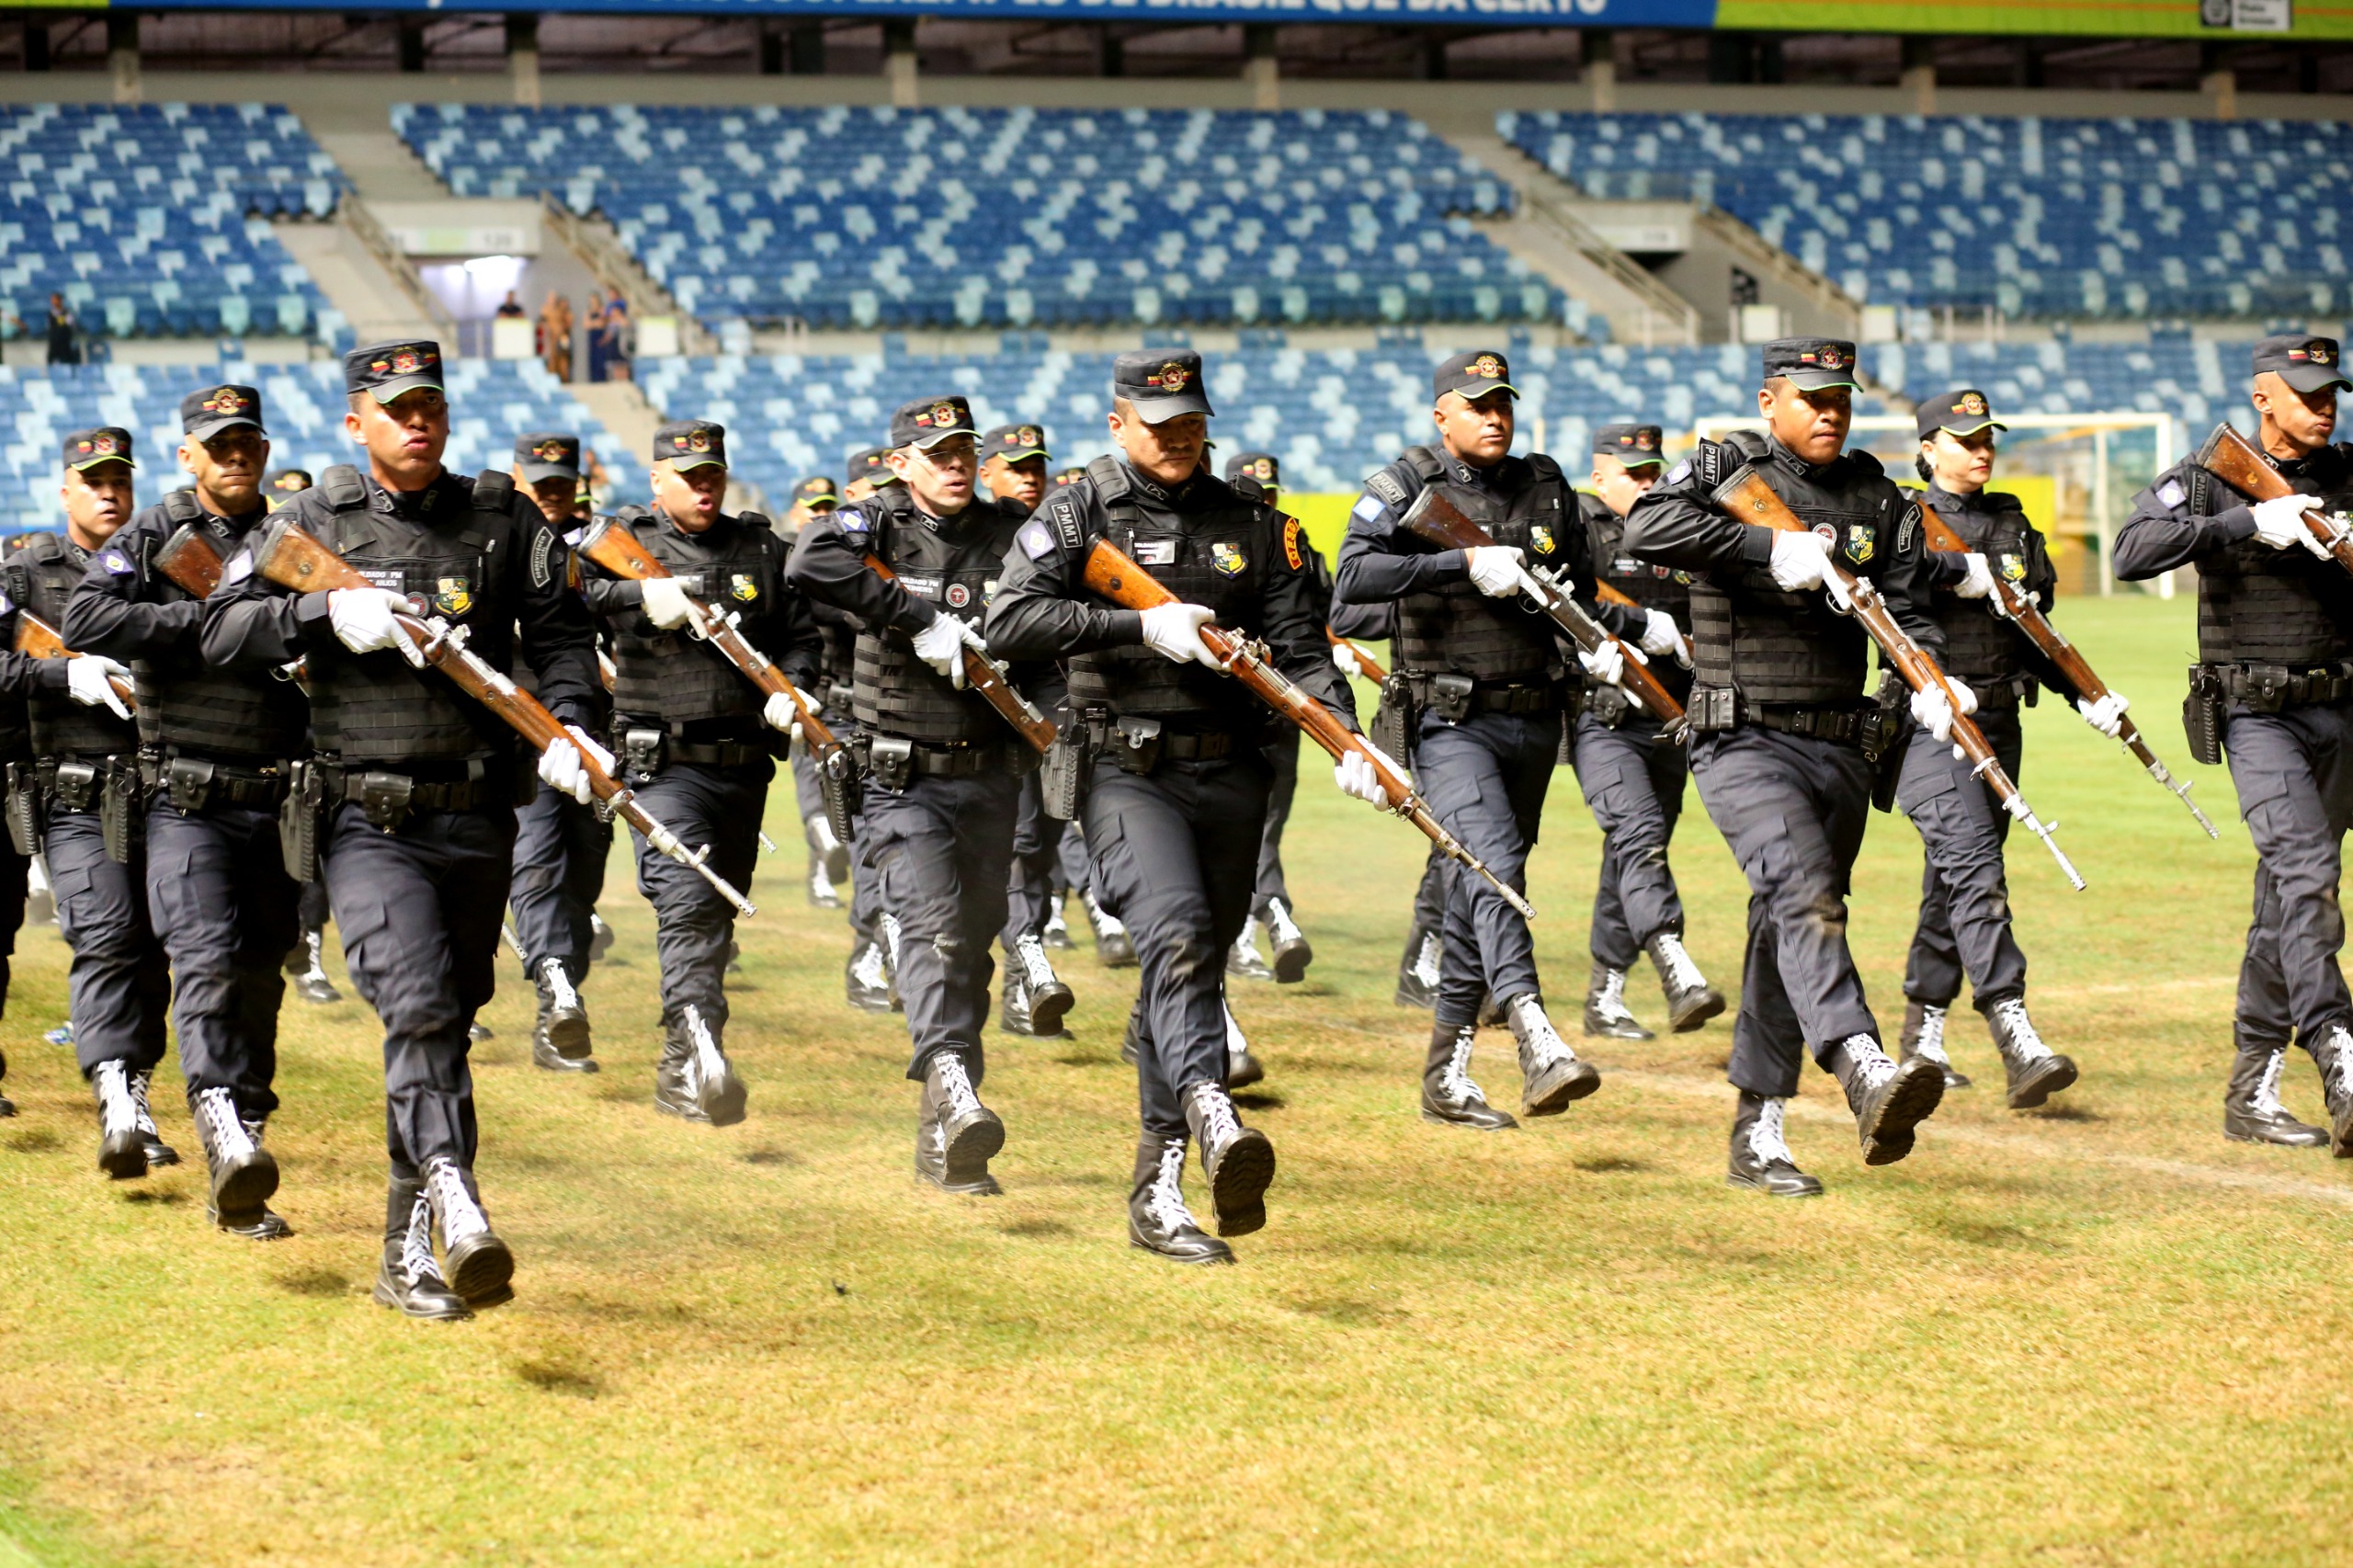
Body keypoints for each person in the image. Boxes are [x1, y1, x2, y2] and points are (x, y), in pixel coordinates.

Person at [202, 339, 604, 1320]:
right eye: (395, 408)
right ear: (356, 421)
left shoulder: (504, 518)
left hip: (477, 818)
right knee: (419, 1006)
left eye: (429, 404)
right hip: (364, 818)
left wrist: (572, 725)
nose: (416, 421)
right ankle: (454, 1203)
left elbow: (557, 641)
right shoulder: (310, 520)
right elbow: (222, 631)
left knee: (444, 1027)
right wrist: (323, 614)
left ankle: (402, 1250)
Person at [988, 348, 1370, 1265]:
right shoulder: (1079, 511)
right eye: (1158, 425)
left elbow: (1301, 647)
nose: (1178, 438)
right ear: (1117, 422)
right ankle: (1210, 1108)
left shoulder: (1256, 523)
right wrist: (1137, 624)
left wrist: (1350, 736)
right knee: (1179, 936)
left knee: (1189, 971)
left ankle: (1157, 1194)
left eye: (1191, 421)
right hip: (1123, 770)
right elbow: (1010, 621)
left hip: (1234, 773)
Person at [1624, 337, 1953, 1197]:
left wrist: (1929, 674)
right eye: (1810, 397)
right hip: (1742, 737)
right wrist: (1768, 550)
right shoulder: (1725, 465)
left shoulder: (1879, 495)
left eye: (1839, 396)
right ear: (1770, 401)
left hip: (1841, 745)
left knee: (1790, 922)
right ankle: (1862, 1062)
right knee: (1804, 894)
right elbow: (1648, 525)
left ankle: (1758, 1126)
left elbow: (1916, 608)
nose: (1829, 411)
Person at [1338, 350, 1665, 1133]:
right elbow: (1353, 580)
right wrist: (1459, 563)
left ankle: (1446, 1077)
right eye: (1476, 404)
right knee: (1495, 870)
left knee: (1473, 890)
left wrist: (1599, 641)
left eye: (1503, 403)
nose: (1494, 416)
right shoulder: (1402, 486)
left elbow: (1578, 591)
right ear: (1441, 414)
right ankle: (1533, 1030)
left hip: (1533, 720)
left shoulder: (1546, 486)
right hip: (1450, 720)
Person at [65, 384, 312, 1239]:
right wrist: (211, 624)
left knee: (257, 979)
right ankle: (222, 1132)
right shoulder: (157, 534)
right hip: (185, 796)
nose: (236, 455)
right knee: (204, 959)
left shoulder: (298, 531)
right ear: (189, 455)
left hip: (281, 797)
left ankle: (244, 1143)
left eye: (247, 441)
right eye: (219, 443)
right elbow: (87, 613)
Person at [792, 396, 1051, 1193]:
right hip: (900, 779)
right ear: (902, 462)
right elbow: (809, 562)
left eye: (963, 449)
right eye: (935, 452)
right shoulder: (874, 527)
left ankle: (944, 1133)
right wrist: (917, 617)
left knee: (970, 949)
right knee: (935, 933)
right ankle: (954, 1088)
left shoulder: (1011, 533)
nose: (953, 462)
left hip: (991, 774)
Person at [2116, 334, 2353, 1154]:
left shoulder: (2349, 472)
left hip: (2342, 714)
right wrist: (2249, 519)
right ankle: (2338, 1051)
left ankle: (2250, 1087)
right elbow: (2131, 552)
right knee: (2307, 874)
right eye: (2308, 392)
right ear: (2264, 397)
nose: (2325, 405)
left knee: (2285, 898)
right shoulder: (2211, 473)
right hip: (2257, 716)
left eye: (2331, 392)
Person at [580, 420, 815, 1127]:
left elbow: (800, 634)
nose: (704, 486)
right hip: (663, 765)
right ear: (657, 481)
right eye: (688, 475)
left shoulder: (760, 547)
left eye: (712, 472)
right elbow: (562, 602)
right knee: (687, 901)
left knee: (715, 914)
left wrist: (794, 689)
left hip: (744, 768)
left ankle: (678, 1065)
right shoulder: (624, 547)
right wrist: (635, 599)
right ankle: (706, 1046)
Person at [1892, 391, 2087, 1108]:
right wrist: (1957, 571)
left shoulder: (2011, 520)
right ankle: (2013, 1029)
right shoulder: (1902, 516)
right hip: (1929, 725)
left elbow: (2032, 625)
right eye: (1963, 439)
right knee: (1974, 869)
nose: (1980, 451)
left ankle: (1923, 1035)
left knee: (1954, 878)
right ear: (1927, 448)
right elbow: (1885, 581)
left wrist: (2087, 695)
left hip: (2001, 719)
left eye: (1986, 440)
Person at [1, 429, 172, 1178]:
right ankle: (116, 1099)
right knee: (106, 937)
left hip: (168, 793)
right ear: (64, 490)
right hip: (74, 795)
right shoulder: (24, 572)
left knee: (163, 949)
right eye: (92, 480)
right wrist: (54, 679)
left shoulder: (162, 564)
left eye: (119, 480)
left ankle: (135, 1087)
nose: (109, 493)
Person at [1574, 424, 1724, 1041]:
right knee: (1636, 836)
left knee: (1630, 854)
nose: (1646, 483)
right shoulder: (1578, 535)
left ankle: (1605, 994)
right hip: (1604, 719)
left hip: (1670, 722)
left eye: (1653, 471)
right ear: (1599, 477)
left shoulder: (1676, 529)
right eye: (1632, 473)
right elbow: (1548, 602)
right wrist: (1625, 629)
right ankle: (1673, 962)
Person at [506, 434, 615, 1074]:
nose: (550, 495)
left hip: (595, 730)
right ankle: (556, 991)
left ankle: (562, 993)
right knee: (538, 858)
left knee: (584, 872)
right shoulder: (499, 543)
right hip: (525, 730)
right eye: (539, 483)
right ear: (520, 480)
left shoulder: (603, 547)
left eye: (560, 484)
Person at [975, 422, 1075, 1039]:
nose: (1030, 475)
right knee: (1002, 853)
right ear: (986, 473)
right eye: (1015, 466)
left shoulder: (1063, 537)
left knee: (1034, 847)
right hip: (980, 719)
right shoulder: (977, 534)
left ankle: (1022, 984)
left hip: (1046, 716)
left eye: (1037, 464)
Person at [1219, 452, 1314, 987]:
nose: (1266, 505)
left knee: (1268, 824)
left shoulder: (1303, 552)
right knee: (1245, 829)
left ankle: (1255, 926)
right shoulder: (1213, 554)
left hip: (1282, 714)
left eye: (1271, 494)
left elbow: (1318, 626)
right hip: (1228, 717)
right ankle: (1267, 918)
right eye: (1256, 496)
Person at [45, 292, 79, 368]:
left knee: (67, 363)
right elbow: (49, 327)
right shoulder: (50, 314)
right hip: (54, 344)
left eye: (55, 300)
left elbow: (71, 326)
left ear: (60, 301)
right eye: (52, 300)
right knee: (50, 362)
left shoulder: (67, 313)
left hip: (65, 344)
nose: (53, 302)